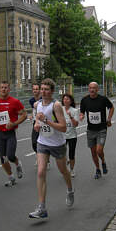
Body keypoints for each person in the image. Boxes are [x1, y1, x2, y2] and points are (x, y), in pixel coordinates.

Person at [29, 78, 74, 219]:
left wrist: (46, 121)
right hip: (42, 142)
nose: (43, 91)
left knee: (63, 171)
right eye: (42, 89)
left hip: (57, 144)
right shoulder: (37, 104)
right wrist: (36, 124)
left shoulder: (56, 106)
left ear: (52, 91)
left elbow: (63, 127)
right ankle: (42, 208)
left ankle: (70, 190)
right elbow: (37, 119)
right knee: (41, 172)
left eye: (46, 89)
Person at [0, 81, 27, 187]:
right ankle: (11, 177)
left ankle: (17, 163)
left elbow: (24, 115)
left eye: (6, 87)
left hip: (10, 133)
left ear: (9, 89)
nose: (3, 89)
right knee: (3, 158)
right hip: (0, 133)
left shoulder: (15, 102)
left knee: (10, 155)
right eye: (2, 87)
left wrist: (14, 123)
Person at [79, 82, 114, 179]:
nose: (92, 90)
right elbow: (82, 111)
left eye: (94, 88)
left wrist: (109, 119)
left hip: (101, 129)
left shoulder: (103, 99)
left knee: (99, 150)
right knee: (93, 152)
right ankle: (98, 169)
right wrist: (81, 115)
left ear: (97, 89)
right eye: (90, 88)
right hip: (90, 130)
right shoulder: (84, 100)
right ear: (88, 89)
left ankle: (103, 161)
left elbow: (111, 107)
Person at [62, 94, 79, 178]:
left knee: (71, 154)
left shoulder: (75, 111)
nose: (65, 101)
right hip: (62, 136)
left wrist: (70, 116)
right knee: (62, 155)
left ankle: (72, 170)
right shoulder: (60, 109)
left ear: (71, 101)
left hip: (72, 136)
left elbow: (76, 124)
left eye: (67, 99)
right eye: (64, 99)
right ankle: (66, 164)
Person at [29, 83, 41, 164]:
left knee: (43, 142)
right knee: (34, 142)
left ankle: (45, 159)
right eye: (34, 89)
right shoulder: (31, 100)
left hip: (44, 123)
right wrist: (31, 115)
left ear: (39, 90)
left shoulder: (42, 99)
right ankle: (38, 156)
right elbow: (33, 109)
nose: (35, 91)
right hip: (35, 123)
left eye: (37, 89)